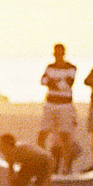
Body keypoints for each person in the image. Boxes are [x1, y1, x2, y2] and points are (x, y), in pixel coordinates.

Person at [39, 44, 77, 172]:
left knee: (65, 136)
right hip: (50, 104)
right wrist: (57, 82)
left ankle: (66, 167)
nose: (58, 55)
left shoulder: (71, 67)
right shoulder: (50, 67)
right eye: (56, 52)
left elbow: (67, 84)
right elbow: (43, 80)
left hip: (64, 105)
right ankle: (41, 163)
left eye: (60, 53)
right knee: (43, 133)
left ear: (63, 53)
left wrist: (53, 81)